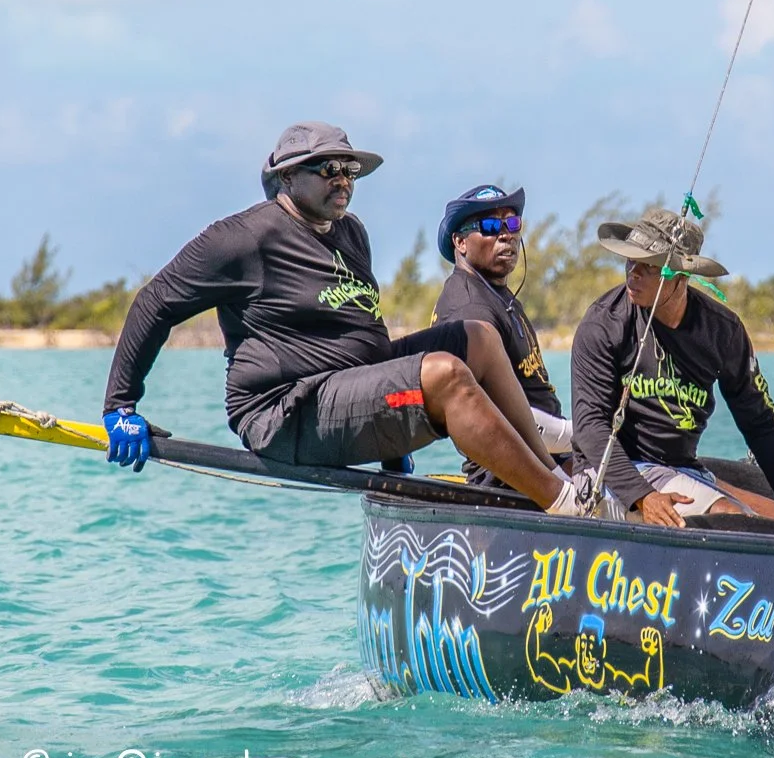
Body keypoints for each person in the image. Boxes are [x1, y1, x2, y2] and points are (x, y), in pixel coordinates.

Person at [101, 120, 589, 516]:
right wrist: (120, 406)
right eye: (327, 168)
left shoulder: (351, 233)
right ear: (287, 178)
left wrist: (393, 442)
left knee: (477, 337)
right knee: (446, 377)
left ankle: (551, 475)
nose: (342, 179)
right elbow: (154, 302)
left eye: (349, 170)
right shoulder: (243, 238)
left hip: (352, 391)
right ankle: (564, 506)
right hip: (288, 411)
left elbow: (365, 338)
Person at [571, 207, 774, 528]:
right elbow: (589, 428)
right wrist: (643, 496)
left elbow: (760, 424)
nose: (633, 273)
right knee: (730, 517)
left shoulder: (722, 330)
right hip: (607, 475)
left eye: (649, 266)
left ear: (681, 276)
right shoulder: (604, 323)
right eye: (630, 260)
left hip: (684, 471)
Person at [433, 185, 572, 484]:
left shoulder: (495, 294)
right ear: (460, 242)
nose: (506, 234)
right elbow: (488, 418)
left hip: (550, 457)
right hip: (514, 477)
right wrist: (580, 438)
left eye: (512, 224)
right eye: (491, 226)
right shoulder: (469, 310)